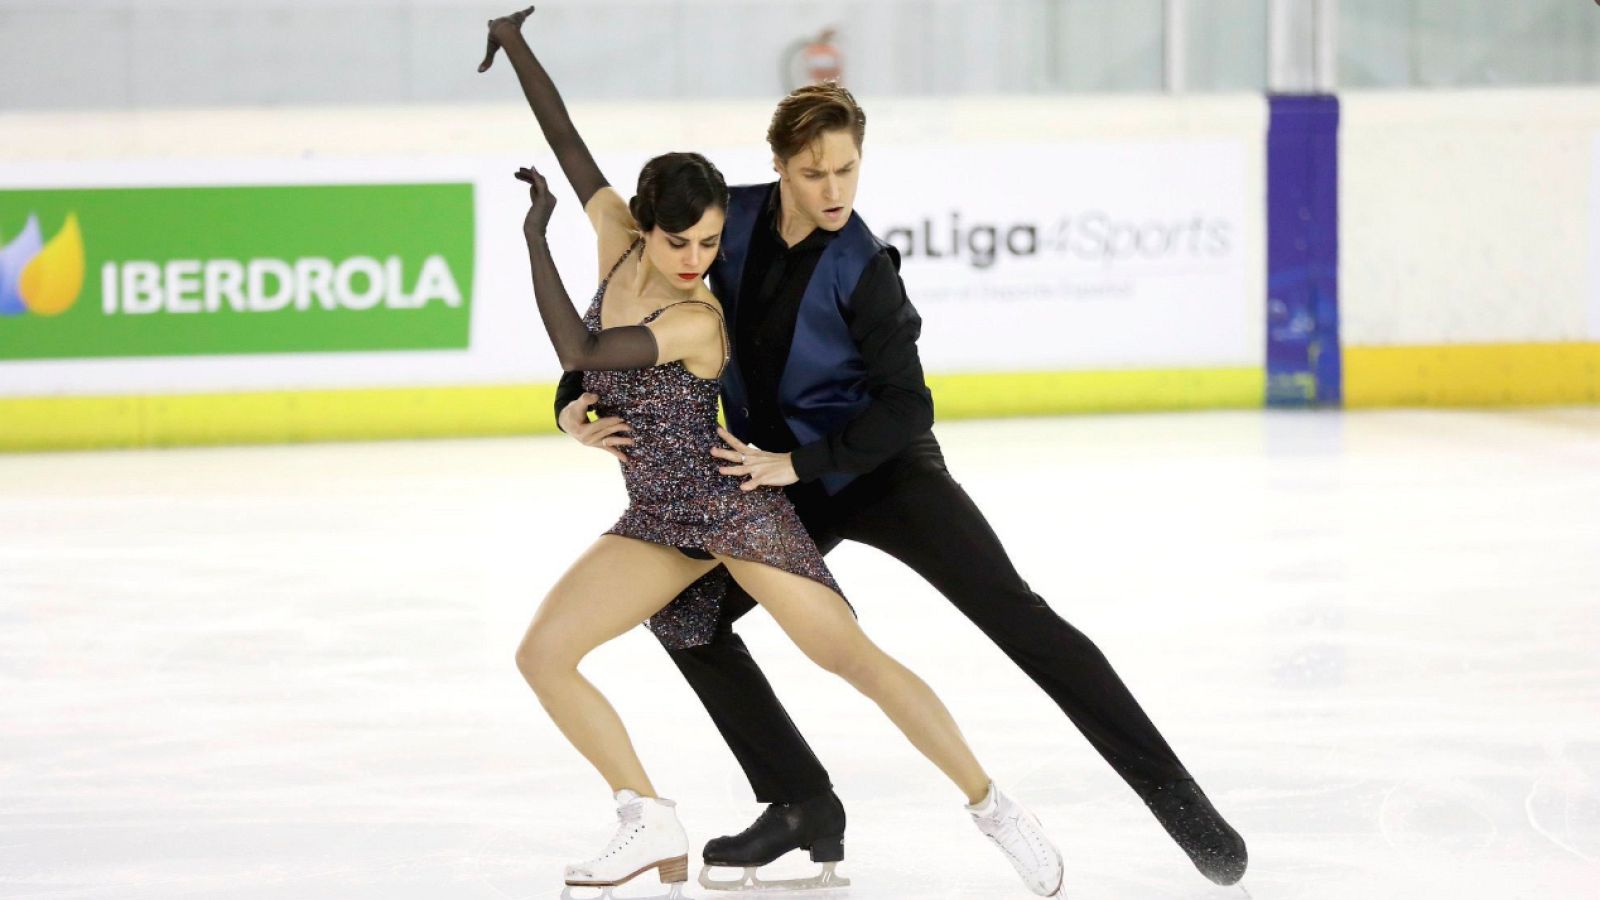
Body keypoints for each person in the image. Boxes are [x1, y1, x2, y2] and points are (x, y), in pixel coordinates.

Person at [553, 67, 1251, 896]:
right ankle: (800, 802)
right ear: (779, 166)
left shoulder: (861, 263)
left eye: (847, 170)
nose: (833, 188)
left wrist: (800, 463)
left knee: (1016, 614)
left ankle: (1178, 800)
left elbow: (907, 405)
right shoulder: (717, 222)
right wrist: (571, 403)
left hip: (884, 471)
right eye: (814, 173)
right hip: (778, 481)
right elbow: (624, 305)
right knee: (687, 618)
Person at [478, 8, 1066, 898]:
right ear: (640, 225)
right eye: (680, 242)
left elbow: (582, 354)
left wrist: (529, 240)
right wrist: (518, 46)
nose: (696, 259)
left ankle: (993, 807)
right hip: (661, 518)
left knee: (854, 660)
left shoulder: (694, 319)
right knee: (543, 653)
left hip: (730, 507)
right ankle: (645, 815)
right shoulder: (612, 243)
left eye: (713, 242)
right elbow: (569, 144)